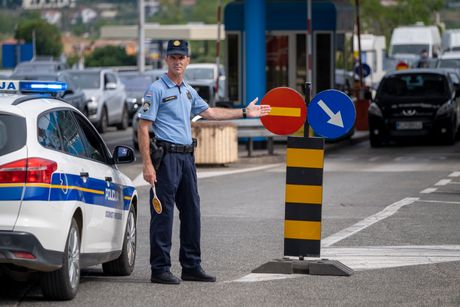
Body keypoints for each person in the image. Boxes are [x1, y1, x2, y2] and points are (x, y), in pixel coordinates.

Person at [138, 39, 271, 285]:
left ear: (188, 61)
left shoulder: (188, 90)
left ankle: (191, 266)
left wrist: (244, 112)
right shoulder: (156, 90)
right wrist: (147, 164)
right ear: (166, 60)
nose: (177, 61)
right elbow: (143, 127)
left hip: (187, 158)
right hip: (166, 159)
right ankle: (160, 269)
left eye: (182, 57)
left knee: (192, 212)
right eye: (173, 57)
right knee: (163, 215)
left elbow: (210, 113)